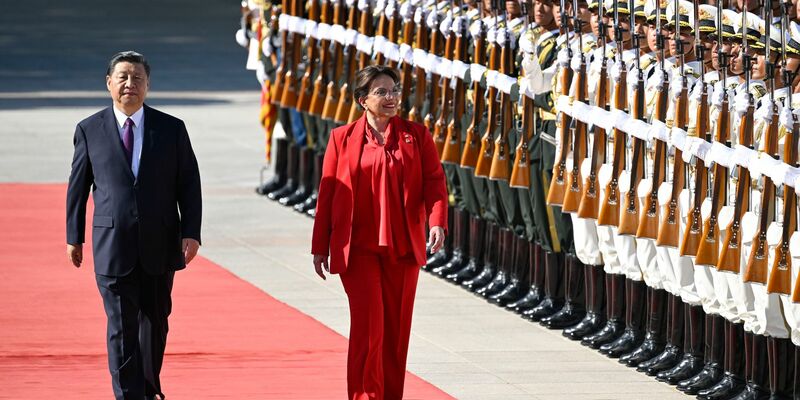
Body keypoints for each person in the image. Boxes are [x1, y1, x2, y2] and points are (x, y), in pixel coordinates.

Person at [66, 51, 202, 400]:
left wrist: (192, 232)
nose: (130, 84)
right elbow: (78, 186)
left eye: (138, 77)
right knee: (121, 327)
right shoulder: (89, 129)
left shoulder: (171, 129)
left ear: (148, 85)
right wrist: (74, 237)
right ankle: (128, 394)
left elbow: (188, 183)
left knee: (154, 324)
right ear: (109, 83)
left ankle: (148, 385)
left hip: (160, 241)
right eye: (123, 77)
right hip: (112, 243)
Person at [310, 65, 448, 400]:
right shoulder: (341, 138)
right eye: (381, 92)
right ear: (362, 100)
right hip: (357, 249)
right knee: (368, 329)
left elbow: (434, 182)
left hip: (402, 249)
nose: (391, 98)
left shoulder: (417, 135)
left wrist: (437, 222)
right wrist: (319, 246)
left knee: (395, 334)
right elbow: (328, 193)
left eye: (395, 91)